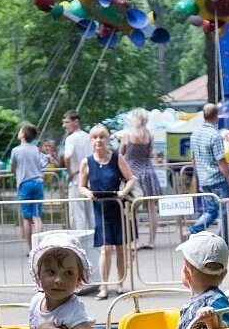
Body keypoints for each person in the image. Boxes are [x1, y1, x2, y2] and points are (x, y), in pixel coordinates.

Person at [78, 125, 137, 300]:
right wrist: (87, 193)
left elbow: (131, 179)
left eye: (102, 137)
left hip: (118, 208)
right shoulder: (86, 162)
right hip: (100, 210)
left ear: (107, 139)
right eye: (95, 137)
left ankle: (119, 284)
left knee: (121, 248)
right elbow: (81, 186)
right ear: (91, 141)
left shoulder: (117, 158)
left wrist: (123, 193)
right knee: (105, 249)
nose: (99, 141)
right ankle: (104, 287)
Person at [188, 103, 229, 245]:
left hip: (204, 179)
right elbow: (221, 161)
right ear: (216, 117)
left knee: (211, 211)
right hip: (217, 179)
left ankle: (193, 230)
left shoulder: (195, 134)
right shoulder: (215, 135)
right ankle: (223, 243)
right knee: (224, 213)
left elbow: (193, 159)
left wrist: (198, 179)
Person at [120, 108, 162, 250]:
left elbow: (121, 154)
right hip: (148, 172)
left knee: (133, 209)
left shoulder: (127, 135)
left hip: (133, 174)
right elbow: (150, 154)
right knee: (151, 209)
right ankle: (152, 240)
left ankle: (135, 241)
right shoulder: (149, 135)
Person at [10, 122, 46, 253]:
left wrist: (14, 172)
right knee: (37, 216)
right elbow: (41, 164)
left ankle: (31, 248)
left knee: (26, 217)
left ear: (23, 134)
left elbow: (12, 167)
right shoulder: (36, 149)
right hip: (38, 182)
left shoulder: (16, 150)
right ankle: (40, 246)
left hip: (25, 183)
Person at [61, 110, 94, 232]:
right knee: (91, 213)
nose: (64, 125)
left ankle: (80, 241)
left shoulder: (71, 139)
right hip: (90, 178)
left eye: (67, 122)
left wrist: (70, 172)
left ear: (76, 122)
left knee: (77, 213)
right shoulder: (88, 137)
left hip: (76, 179)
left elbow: (67, 156)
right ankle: (94, 242)